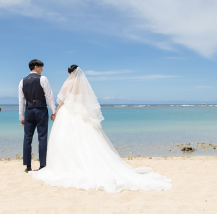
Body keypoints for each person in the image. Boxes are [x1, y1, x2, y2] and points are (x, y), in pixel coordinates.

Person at [32, 65, 171, 192]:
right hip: (80, 113)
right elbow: (87, 102)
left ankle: (65, 166)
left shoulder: (67, 83)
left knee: (64, 140)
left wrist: (56, 113)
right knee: (88, 139)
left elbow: (61, 101)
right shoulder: (82, 84)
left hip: (68, 113)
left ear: (69, 73)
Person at [18, 59, 56, 172]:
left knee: (27, 138)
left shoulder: (22, 81)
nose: (42, 69)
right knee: (42, 137)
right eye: (41, 67)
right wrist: (53, 111)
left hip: (28, 111)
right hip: (41, 110)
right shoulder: (43, 79)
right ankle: (42, 165)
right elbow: (49, 96)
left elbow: (21, 101)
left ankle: (28, 166)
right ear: (36, 67)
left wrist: (21, 117)